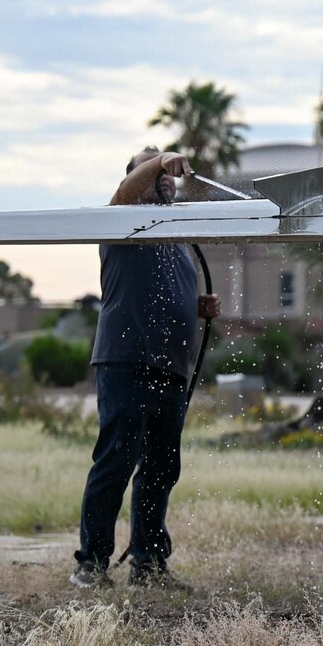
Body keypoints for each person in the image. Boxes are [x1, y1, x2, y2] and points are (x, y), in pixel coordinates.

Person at [71, 147, 219, 589]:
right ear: (135, 178)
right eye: (149, 167)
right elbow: (126, 191)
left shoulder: (174, 238)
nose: (164, 174)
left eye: (166, 169)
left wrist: (196, 308)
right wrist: (162, 159)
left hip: (170, 367)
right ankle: (91, 564)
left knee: (161, 466)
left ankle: (149, 566)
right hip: (126, 360)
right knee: (116, 460)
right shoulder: (121, 220)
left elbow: (159, 294)